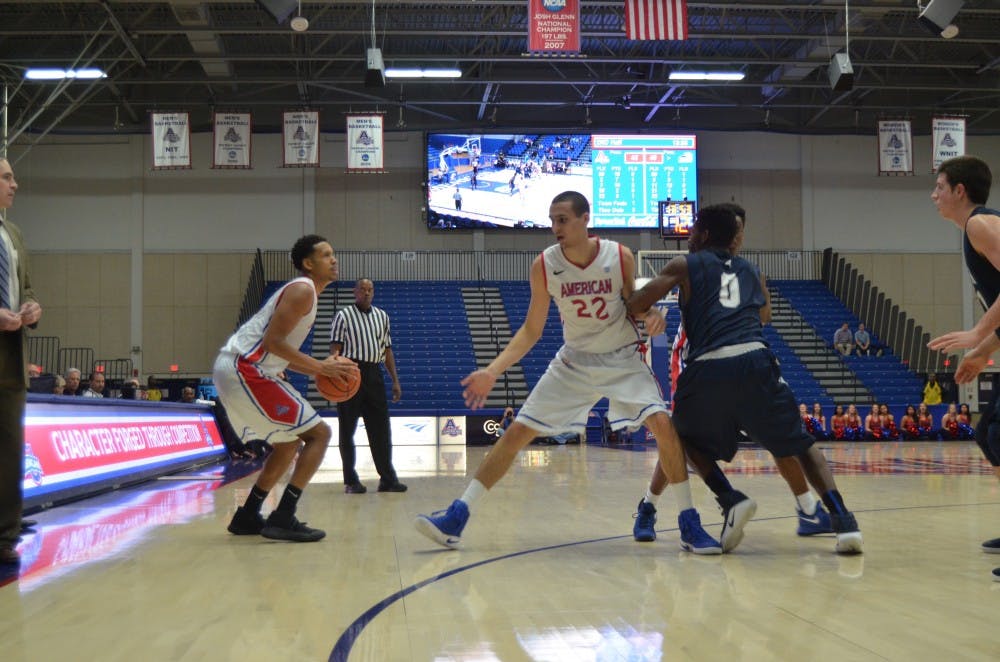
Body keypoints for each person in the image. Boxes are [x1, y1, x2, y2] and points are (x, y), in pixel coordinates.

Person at [415, 190, 721, 553]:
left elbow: (634, 305)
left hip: (622, 358)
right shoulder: (544, 265)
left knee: (664, 427)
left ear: (584, 219)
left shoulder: (618, 255)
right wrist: (493, 370)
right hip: (574, 361)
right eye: (552, 220)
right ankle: (457, 516)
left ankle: (688, 522)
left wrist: (651, 315)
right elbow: (532, 330)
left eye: (562, 219)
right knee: (515, 434)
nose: (554, 227)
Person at [626, 204, 863, 554]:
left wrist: (650, 310)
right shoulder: (752, 270)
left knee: (678, 438)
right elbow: (764, 315)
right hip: (756, 360)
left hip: (709, 364)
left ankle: (729, 498)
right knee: (800, 443)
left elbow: (635, 303)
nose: (689, 235)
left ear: (703, 235)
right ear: (733, 238)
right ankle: (844, 523)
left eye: (692, 230)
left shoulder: (685, 265)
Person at [216, 234, 358, 542]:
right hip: (245, 368)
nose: (333, 260)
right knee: (319, 433)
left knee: (289, 442)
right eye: (326, 255)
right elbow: (272, 343)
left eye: (333, 254)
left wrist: (306, 367)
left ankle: (247, 515)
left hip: (248, 368)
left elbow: (277, 349)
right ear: (308, 264)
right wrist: (322, 367)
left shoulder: (307, 294)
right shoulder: (303, 290)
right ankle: (282, 516)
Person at [925, 155, 1000, 578]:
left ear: (960, 191)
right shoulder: (973, 232)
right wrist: (980, 353)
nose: (933, 195)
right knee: (989, 434)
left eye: (939, 186)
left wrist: (976, 334)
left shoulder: (980, 225)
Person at [0, 157, 42, 566]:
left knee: (10, 452)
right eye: (7, 177)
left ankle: (5, 536)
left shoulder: (13, 234)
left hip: (12, 360)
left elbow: (26, 287)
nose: (15, 184)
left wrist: (31, 308)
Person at [330, 278, 406, 494]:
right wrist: (336, 377)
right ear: (355, 292)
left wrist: (395, 381)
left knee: (381, 429)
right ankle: (351, 480)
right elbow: (335, 350)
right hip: (350, 373)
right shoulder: (343, 316)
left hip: (374, 374)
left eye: (370, 289)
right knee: (347, 429)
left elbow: (387, 351)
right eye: (362, 289)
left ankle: (388, 479)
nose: (366, 293)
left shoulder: (382, 316)